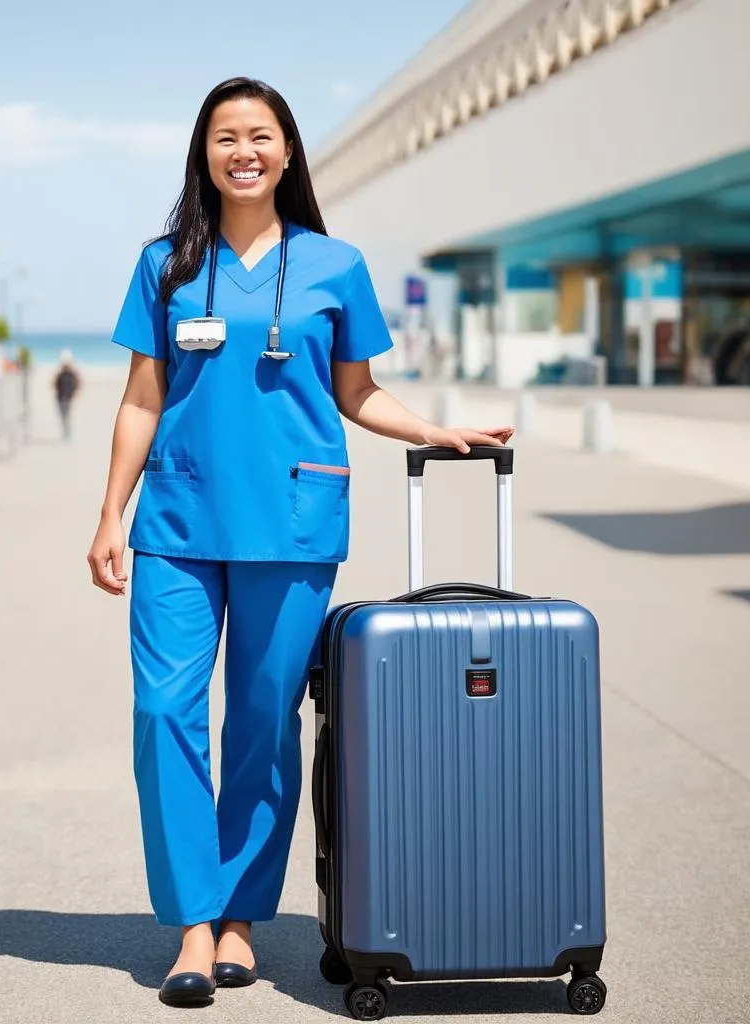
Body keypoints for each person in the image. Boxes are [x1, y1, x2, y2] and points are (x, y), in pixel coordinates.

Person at [86, 77, 513, 1009]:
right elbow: (141, 398)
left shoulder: (335, 264)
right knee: (164, 713)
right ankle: (193, 924)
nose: (243, 150)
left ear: (287, 152)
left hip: (290, 520)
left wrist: (436, 431)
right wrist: (110, 513)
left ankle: (241, 916)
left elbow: (358, 393)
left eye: (261, 135)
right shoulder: (163, 263)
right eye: (225, 136)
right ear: (203, 153)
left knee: (262, 725)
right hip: (178, 524)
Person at [53, 350, 81, 439]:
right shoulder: (60, 374)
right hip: (61, 398)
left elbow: (78, 383)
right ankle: (65, 433)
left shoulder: (72, 374)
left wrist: (74, 394)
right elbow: (54, 384)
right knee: (63, 417)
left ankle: (68, 434)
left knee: (68, 417)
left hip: (68, 398)